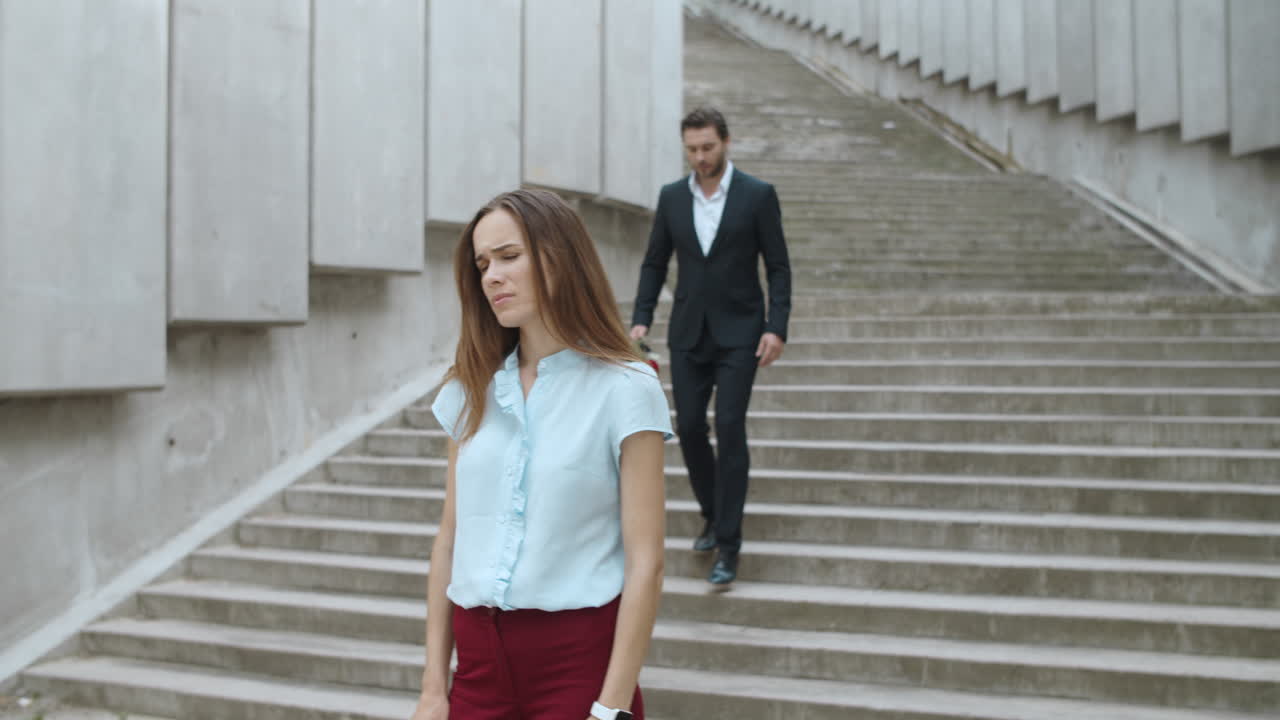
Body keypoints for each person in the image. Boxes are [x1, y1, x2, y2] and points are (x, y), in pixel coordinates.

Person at [411, 189, 671, 720]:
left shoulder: (626, 389)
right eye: (482, 264)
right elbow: (450, 539)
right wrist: (434, 689)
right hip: (477, 671)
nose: (491, 276)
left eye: (509, 256)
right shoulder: (469, 391)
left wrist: (611, 707)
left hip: (577, 670)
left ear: (559, 257)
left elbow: (647, 562)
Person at [629, 107, 791, 586]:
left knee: (730, 425)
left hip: (742, 332)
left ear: (726, 142)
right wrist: (641, 321)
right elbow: (654, 263)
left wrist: (775, 326)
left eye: (708, 148)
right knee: (691, 429)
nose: (700, 158)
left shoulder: (758, 196)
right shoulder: (673, 198)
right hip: (688, 333)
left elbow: (779, 267)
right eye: (692, 150)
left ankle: (729, 545)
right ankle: (712, 513)